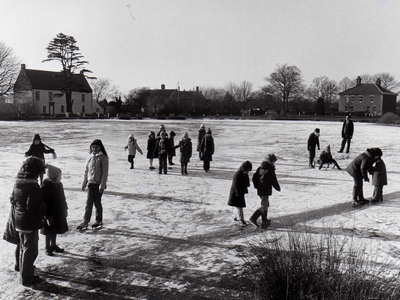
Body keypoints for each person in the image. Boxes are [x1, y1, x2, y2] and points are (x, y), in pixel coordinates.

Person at [13, 156, 47, 286]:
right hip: (29, 223)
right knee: (31, 250)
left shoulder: (18, 184)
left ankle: (25, 272)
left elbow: (13, 200)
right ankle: (26, 277)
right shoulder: (34, 187)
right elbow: (33, 207)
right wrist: (43, 207)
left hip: (19, 221)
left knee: (23, 248)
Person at [77, 139, 109, 230]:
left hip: (98, 184)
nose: (94, 149)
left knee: (97, 203)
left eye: (96, 147)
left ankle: (99, 220)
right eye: (93, 147)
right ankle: (85, 221)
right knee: (89, 203)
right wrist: (84, 183)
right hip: (91, 184)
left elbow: (105, 173)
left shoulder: (103, 158)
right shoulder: (90, 157)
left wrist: (102, 186)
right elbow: (86, 171)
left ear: (100, 148)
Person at [41, 165, 69, 256]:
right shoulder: (45, 187)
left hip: (58, 211)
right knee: (49, 230)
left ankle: (53, 245)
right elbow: (45, 202)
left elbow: (63, 198)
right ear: (53, 177)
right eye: (59, 176)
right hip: (49, 213)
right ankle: (47, 247)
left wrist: (65, 208)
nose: (60, 177)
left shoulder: (59, 185)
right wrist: (48, 216)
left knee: (55, 229)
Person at [250, 154, 281, 229]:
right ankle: (253, 218)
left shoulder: (260, 168)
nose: (274, 163)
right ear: (271, 161)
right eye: (274, 162)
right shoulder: (270, 169)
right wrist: (277, 187)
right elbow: (273, 180)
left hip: (261, 189)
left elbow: (254, 177)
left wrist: (257, 186)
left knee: (266, 204)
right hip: (265, 189)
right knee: (264, 205)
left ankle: (264, 220)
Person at [227, 161, 252, 227]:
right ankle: (241, 220)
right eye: (247, 170)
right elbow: (235, 185)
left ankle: (236, 217)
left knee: (237, 206)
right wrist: (238, 193)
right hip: (236, 193)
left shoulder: (244, 174)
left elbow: (247, 184)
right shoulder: (237, 174)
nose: (248, 172)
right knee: (239, 206)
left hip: (240, 192)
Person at [3, 192, 21, 272]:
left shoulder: (17, 187)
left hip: (16, 218)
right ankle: (19, 264)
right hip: (19, 219)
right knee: (21, 243)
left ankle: (19, 264)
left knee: (20, 243)